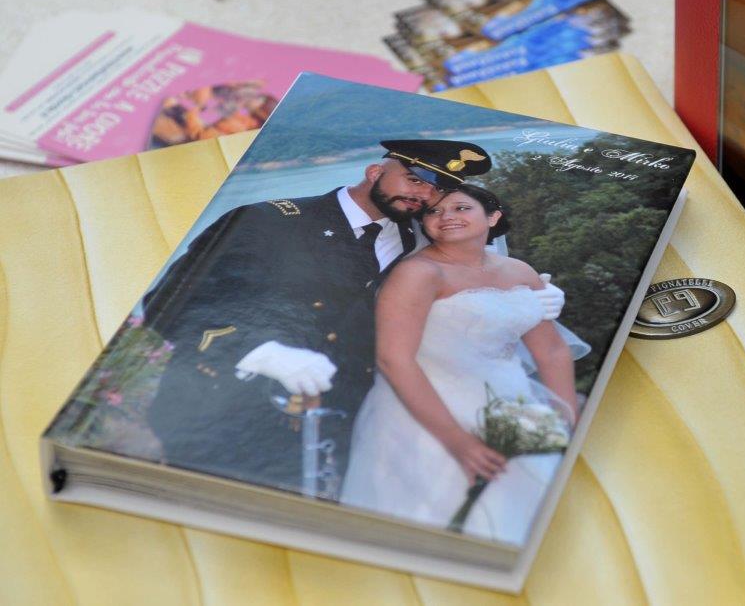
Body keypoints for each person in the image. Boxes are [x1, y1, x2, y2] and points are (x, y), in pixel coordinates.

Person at [144, 138, 567, 496]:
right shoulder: (267, 220)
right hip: (233, 414)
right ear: (374, 171)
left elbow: (461, 282)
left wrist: (524, 298)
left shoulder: (415, 239)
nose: (423, 195)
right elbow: (170, 302)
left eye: (436, 191)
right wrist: (257, 349)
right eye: (414, 179)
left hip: (345, 424)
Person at [341, 184, 585, 545]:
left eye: (460, 208)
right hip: (428, 413)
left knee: (523, 516)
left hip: (513, 405)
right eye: (434, 211)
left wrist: (565, 419)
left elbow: (551, 351)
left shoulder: (519, 271)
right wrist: (458, 442)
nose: (446, 217)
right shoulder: (419, 273)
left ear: (493, 217)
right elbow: (394, 359)